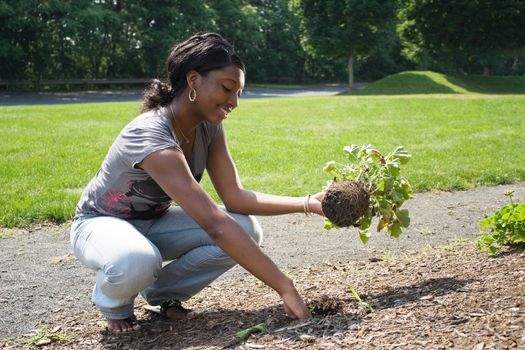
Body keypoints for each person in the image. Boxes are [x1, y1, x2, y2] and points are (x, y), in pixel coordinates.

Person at [70, 32, 325, 334]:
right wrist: (285, 287)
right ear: (193, 80)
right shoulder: (150, 135)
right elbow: (213, 223)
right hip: (99, 223)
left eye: (239, 93)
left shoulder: (209, 129)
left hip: (152, 222)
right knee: (138, 259)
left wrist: (308, 203)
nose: (234, 102)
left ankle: (162, 296)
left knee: (245, 228)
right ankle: (114, 305)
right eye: (227, 89)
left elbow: (235, 198)